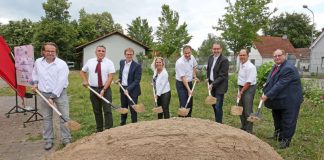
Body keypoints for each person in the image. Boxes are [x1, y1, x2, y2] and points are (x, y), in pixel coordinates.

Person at [31, 42, 71, 150]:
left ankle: (66, 139)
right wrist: (35, 83)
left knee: (64, 117)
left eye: (52, 51)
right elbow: (34, 73)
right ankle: (48, 140)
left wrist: (52, 97)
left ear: (56, 52)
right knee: (47, 118)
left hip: (59, 93)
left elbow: (61, 81)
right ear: (43, 52)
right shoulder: (38, 62)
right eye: (47, 51)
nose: (50, 53)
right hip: (44, 93)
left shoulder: (61, 64)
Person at [261, 49, 303, 149]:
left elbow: (280, 85)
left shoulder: (288, 68)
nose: (277, 57)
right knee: (277, 118)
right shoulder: (276, 66)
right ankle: (278, 135)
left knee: (288, 121)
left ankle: (286, 141)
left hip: (290, 99)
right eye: (275, 56)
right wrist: (265, 89)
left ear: (285, 56)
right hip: (279, 98)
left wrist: (267, 95)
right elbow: (271, 81)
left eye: (279, 55)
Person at [80, 45, 115, 132]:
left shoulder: (109, 62)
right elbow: (82, 72)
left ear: (105, 53)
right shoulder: (90, 61)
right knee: (97, 110)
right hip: (93, 89)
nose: (101, 52)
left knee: (107, 110)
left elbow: (110, 77)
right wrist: (85, 81)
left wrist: (103, 90)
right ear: (96, 52)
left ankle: (109, 130)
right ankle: (99, 129)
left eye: (103, 51)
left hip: (105, 89)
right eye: (99, 50)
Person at [118, 48, 142, 125]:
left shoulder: (137, 66)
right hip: (123, 88)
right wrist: (119, 80)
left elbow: (137, 80)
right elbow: (121, 73)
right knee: (124, 107)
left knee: (133, 108)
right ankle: (123, 123)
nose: (129, 56)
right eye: (127, 54)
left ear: (133, 55)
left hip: (133, 90)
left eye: (131, 54)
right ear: (125, 55)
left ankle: (134, 124)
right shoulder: (122, 62)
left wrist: (128, 89)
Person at [206, 43, 229, 123]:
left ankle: (219, 123)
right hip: (212, 84)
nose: (216, 50)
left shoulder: (224, 60)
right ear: (212, 49)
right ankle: (217, 120)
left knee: (218, 106)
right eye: (214, 49)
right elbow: (209, 69)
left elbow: (222, 76)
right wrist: (208, 78)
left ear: (221, 49)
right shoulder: (210, 58)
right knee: (213, 104)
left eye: (217, 49)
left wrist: (213, 84)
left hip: (220, 86)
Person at [175, 45, 198, 117]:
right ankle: (182, 120)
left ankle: (189, 118)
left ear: (191, 52)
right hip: (181, 84)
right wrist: (188, 90)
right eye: (185, 53)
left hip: (189, 82)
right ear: (183, 52)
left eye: (189, 53)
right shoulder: (179, 62)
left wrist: (194, 76)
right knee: (184, 103)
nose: (187, 55)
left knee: (190, 102)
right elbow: (183, 78)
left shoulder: (192, 57)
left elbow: (194, 66)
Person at [237, 49, 257, 133]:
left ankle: (249, 130)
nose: (242, 57)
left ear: (248, 56)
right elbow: (241, 79)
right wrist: (239, 90)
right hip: (241, 87)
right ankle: (244, 127)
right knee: (241, 108)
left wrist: (241, 92)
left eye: (243, 55)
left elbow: (248, 82)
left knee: (248, 110)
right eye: (240, 55)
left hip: (248, 88)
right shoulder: (241, 64)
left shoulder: (251, 67)